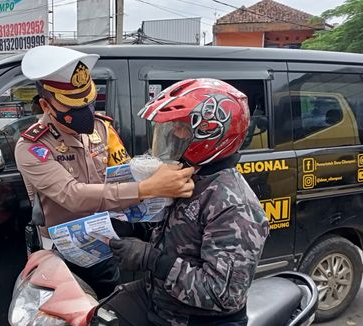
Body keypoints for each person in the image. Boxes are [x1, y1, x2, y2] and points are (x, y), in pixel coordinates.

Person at [14, 46, 195, 299]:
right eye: (73, 106)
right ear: (46, 105)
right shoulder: (33, 146)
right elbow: (73, 196)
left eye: (88, 101)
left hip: (104, 240)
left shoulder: (100, 128)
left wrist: (157, 174)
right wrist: (148, 189)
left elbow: (125, 169)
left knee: (108, 305)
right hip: (62, 251)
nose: (85, 111)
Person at [106, 78, 270, 326]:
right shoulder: (191, 177)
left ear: (211, 134)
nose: (173, 132)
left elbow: (222, 294)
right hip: (160, 299)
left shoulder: (233, 205)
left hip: (196, 318)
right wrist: (132, 228)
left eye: (181, 126)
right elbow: (180, 236)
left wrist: (151, 259)